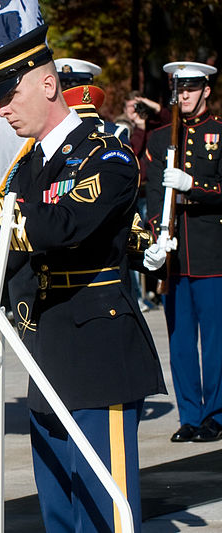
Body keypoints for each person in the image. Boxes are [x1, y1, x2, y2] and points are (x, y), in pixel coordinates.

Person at [0, 25, 165, 532]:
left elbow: (56, 227)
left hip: (95, 358)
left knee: (103, 513)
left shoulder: (105, 153)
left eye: (9, 94)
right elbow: (5, 264)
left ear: (48, 86)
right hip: (43, 358)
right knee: (60, 516)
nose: (1, 108)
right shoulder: (27, 169)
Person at [145, 61, 222, 444]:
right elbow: (151, 195)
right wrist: (155, 237)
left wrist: (194, 185)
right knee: (179, 343)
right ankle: (190, 415)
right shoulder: (161, 139)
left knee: (215, 341)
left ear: (206, 90)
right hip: (175, 254)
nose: (186, 96)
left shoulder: (220, 134)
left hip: (212, 253)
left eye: (192, 88)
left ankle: (216, 415)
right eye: (180, 89)